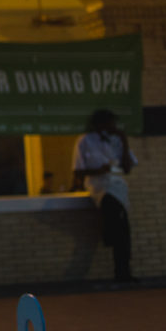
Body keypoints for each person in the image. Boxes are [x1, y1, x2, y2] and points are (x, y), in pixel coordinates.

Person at [72, 108, 138, 283]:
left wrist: (124, 140)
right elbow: (78, 171)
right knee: (112, 208)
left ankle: (123, 269)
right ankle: (110, 236)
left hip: (117, 184)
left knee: (122, 227)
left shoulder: (116, 140)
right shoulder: (85, 141)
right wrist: (98, 170)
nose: (113, 127)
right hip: (99, 184)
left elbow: (128, 168)